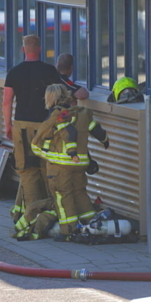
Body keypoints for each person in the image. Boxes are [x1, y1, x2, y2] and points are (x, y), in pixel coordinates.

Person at [4, 36, 87, 221]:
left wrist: (8, 125)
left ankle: (32, 215)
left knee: (27, 170)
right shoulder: (49, 71)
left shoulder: (14, 72)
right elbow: (70, 93)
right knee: (46, 168)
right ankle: (51, 212)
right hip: (46, 127)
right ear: (40, 49)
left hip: (21, 125)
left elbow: (7, 101)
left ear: (23, 49)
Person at [30, 84, 109, 238]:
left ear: (49, 98)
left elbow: (36, 141)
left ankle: (70, 231)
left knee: (62, 197)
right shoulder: (81, 113)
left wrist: (49, 157)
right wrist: (104, 140)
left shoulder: (56, 116)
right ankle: (93, 223)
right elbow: (96, 130)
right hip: (79, 165)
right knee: (80, 193)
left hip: (61, 167)